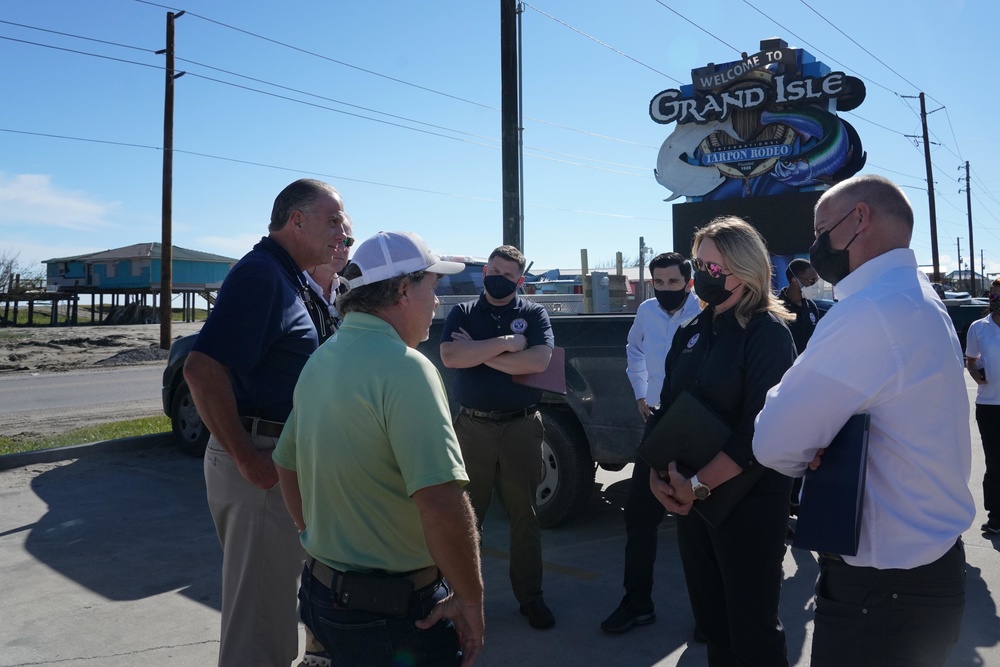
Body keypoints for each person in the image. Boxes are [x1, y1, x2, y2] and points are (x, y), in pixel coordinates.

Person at [753, 174, 976, 667]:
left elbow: (773, 443)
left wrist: (799, 417)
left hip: (879, 595)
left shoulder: (869, 311)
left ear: (860, 219)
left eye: (820, 229)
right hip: (926, 575)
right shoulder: (918, 296)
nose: (815, 246)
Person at [273, 231, 484, 666]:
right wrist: (470, 600)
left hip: (321, 593)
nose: (438, 302)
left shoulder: (323, 356)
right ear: (404, 290)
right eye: (432, 287)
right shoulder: (407, 370)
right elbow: (442, 503)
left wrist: (321, 541)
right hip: (390, 615)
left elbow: (285, 463)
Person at [183, 178, 348, 667]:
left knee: (276, 610)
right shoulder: (261, 276)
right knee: (259, 630)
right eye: (333, 220)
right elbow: (201, 369)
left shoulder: (290, 276)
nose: (341, 233)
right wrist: (247, 459)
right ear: (296, 221)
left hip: (285, 459)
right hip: (260, 463)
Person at [647, 216, 797, 665]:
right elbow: (667, 411)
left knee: (752, 631)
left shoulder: (767, 332)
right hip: (693, 503)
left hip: (748, 503)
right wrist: (657, 477)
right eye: (701, 264)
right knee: (712, 624)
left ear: (746, 269)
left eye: (715, 268)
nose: (704, 276)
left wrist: (696, 487)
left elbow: (761, 427)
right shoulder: (692, 331)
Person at [439, 245, 556, 630]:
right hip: (473, 429)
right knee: (469, 518)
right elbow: (452, 357)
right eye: (495, 269)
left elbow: (539, 362)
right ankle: (464, 599)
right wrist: (506, 345)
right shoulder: (464, 312)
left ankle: (531, 598)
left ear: (519, 280)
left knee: (525, 516)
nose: (499, 278)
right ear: (485, 269)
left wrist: (478, 351)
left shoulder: (532, 312)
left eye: (508, 275)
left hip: (521, 427)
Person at [601, 252, 701, 634]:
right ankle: (637, 602)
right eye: (658, 283)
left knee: (700, 519)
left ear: (688, 282)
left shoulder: (706, 311)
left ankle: (710, 615)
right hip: (659, 422)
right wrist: (641, 393)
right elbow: (635, 350)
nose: (665, 290)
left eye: (673, 283)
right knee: (640, 513)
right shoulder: (646, 311)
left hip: (698, 425)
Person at [967, 279, 1000, 536]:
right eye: (993, 295)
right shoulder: (978, 328)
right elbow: (972, 360)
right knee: (995, 463)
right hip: (989, 406)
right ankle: (996, 517)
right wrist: (977, 374)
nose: (996, 300)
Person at [304, 211, 354, 320]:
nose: (342, 248)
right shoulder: (291, 287)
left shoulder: (347, 289)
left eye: (348, 242)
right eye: (336, 239)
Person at [777, 257, 820, 355]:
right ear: (795, 280)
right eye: (812, 280)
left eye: (817, 280)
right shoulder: (777, 308)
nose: (815, 285)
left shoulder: (811, 306)